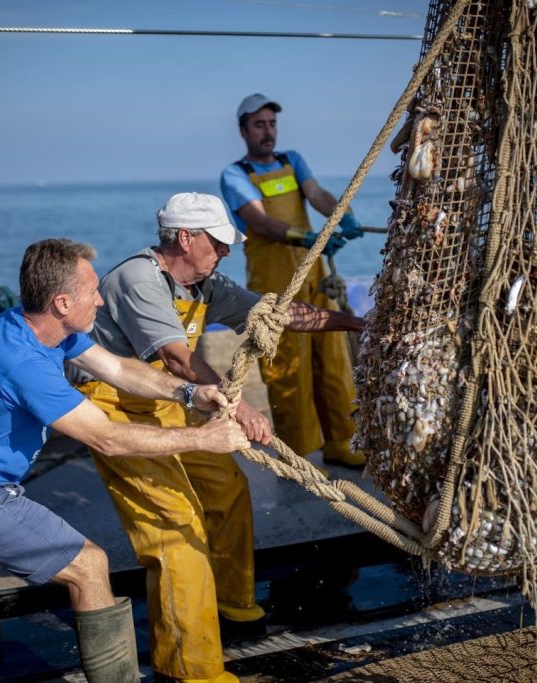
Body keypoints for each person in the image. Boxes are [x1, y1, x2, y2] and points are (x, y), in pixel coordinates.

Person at [0, 238, 250, 681]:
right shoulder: (23, 363)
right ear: (63, 302)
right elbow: (107, 438)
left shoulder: (36, 327)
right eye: (92, 291)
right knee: (89, 567)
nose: (101, 299)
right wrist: (203, 439)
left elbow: (118, 369)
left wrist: (189, 393)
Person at [72, 193, 365, 683]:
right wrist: (241, 408)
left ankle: (233, 605)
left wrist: (355, 323)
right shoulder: (138, 280)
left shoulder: (206, 283)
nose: (227, 251)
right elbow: (178, 358)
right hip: (113, 406)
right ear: (185, 239)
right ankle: (190, 669)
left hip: (170, 399)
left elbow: (277, 314)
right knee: (174, 528)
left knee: (228, 489)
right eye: (219, 242)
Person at [220, 93, 367, 469]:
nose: (267, 132)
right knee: (287, 369)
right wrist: (309, 237)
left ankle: (342, 441)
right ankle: (296, 453)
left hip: (313, 276)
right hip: (274, 286)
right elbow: (260, 222)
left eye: (271, 124)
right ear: (243, 131)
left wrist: (342, 214)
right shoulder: (235, 175)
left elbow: (315, 194)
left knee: (333, 361)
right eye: (259, 125)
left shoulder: (292, 161)